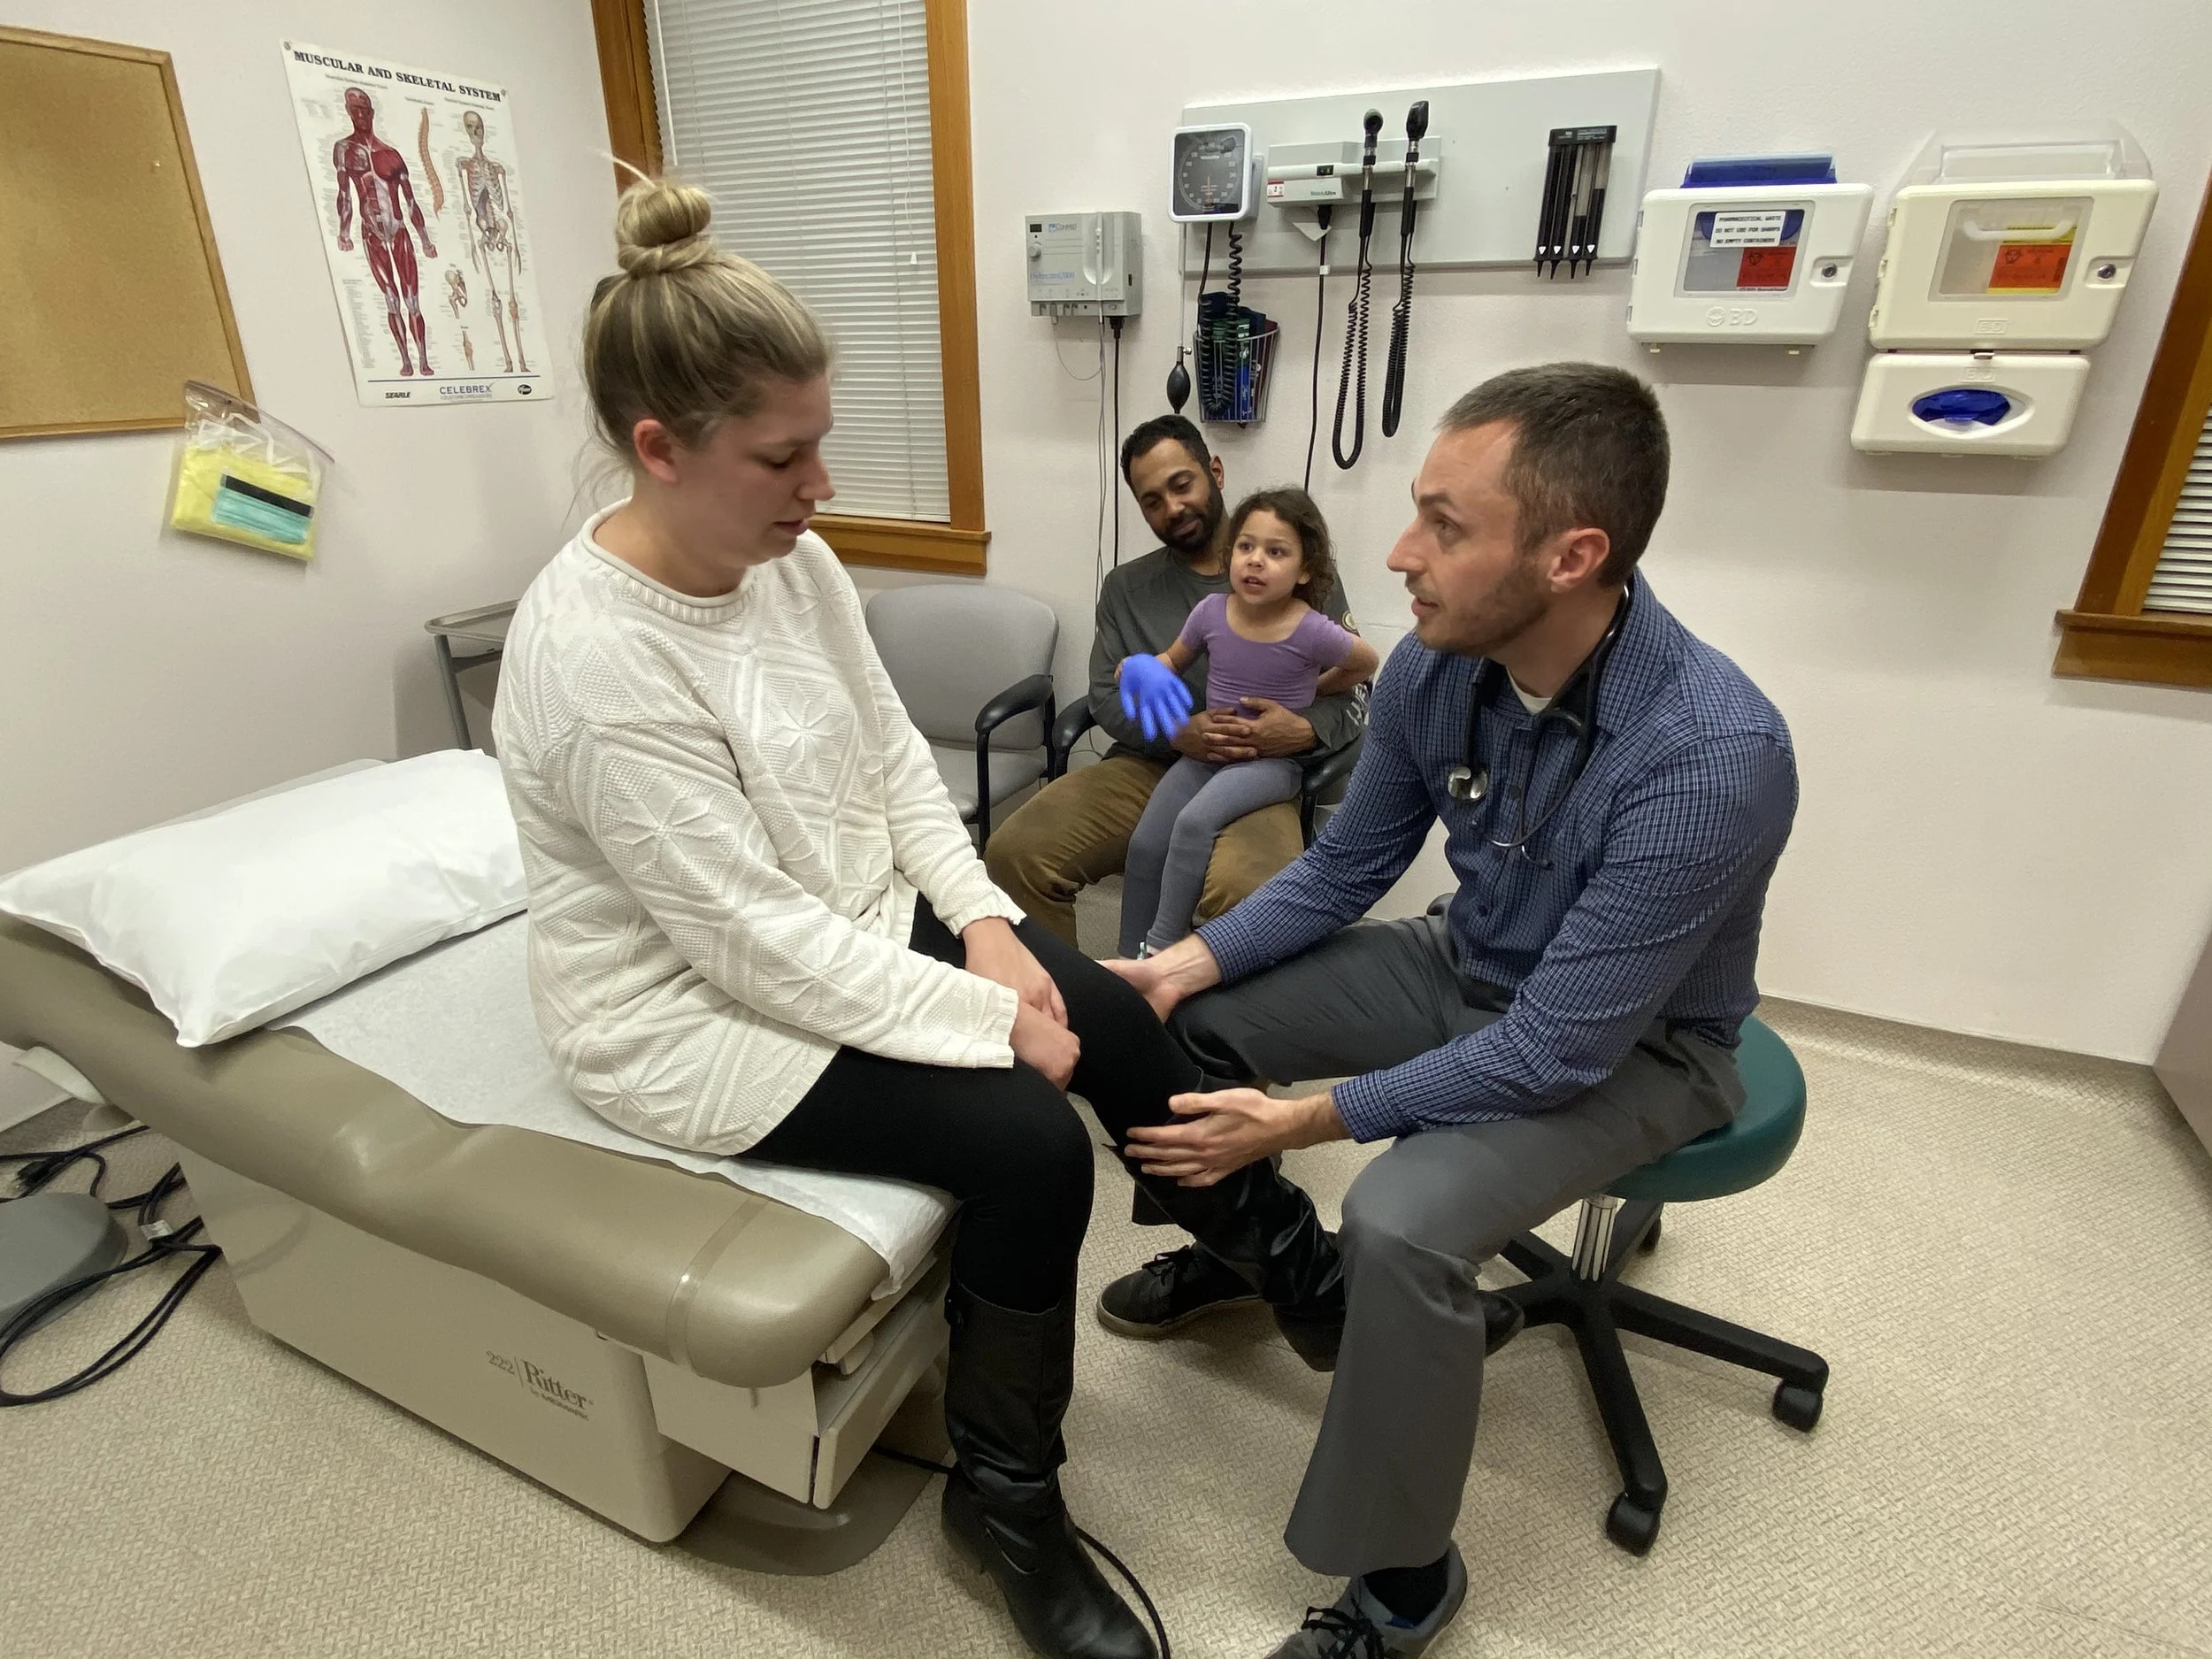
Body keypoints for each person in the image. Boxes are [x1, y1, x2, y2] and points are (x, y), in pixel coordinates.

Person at [493, 177, 1267, 1659]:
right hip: (688, 1016)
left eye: (821, 441)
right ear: (659, 448)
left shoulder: (792, 561)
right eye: (783, 456)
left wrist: (986, 923)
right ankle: (1006, 1503)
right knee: (1034, 1144)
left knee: (1111, 1009)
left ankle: (1282, 1266)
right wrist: (990, 1019)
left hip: (835, 921)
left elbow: (894, 761)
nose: (821, 484)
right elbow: (745, 945)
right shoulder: (594, 662)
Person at [1100, 363, 1799, 1657]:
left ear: (1571, 556)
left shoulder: (1711, 753)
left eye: (1444, 524)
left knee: (1401, 1220)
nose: (1398, 554)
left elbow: (1554, 1049)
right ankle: (1263, 1265)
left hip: (1639, 1045)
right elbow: (1345, 868)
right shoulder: (1435, 666)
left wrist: (1305, 1119)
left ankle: (1406, 1578)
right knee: (1179, 1029)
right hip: (1465, 961)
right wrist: (1182, 966)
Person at [986, 418, 1366, 947]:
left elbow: (1356, 691)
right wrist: (1178, 732)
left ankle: (1191, 996)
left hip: (1259, 773)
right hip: (1148, 766)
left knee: (1252, 892)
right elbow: (1106, 696)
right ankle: (1081, 993)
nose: (1172, 507)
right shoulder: (1126, 588)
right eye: (1152, 501)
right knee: (1015, 854)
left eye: (1181, 485)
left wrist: (1301, 731)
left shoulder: (1293, 575)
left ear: (1215, 472)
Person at [1117, 488, 1378, 956]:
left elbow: (1366, 663)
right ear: (1230, 555)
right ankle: (1128, 956)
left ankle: (1161, 947)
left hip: (1270, 764)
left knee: (1193, 824)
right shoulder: (1210, 613)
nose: (1256, 560)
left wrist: (1317, 691)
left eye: (1276, 552)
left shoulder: (1311, 628)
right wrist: (1134, 670)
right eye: (1246, 546)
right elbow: (1168, 663)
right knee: (1147, 842)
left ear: (1304, 570)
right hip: (1207, 756)